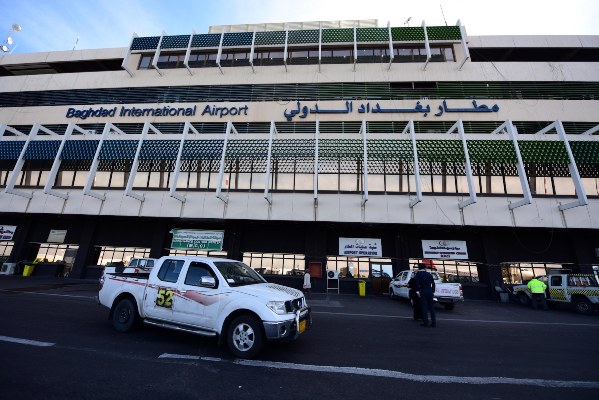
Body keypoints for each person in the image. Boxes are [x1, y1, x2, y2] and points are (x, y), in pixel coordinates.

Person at [415, 263, 436, 327]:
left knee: (424, 307)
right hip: (429, 291)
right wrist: (432, 291)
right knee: (432, 308)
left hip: (423, 291)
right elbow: (433, 283)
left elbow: (417, 284)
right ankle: (434, 323)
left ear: (419, 268)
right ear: (424, 268)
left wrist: (417, 292)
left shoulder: (418, 274)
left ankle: (426, 322)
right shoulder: (429, 274)